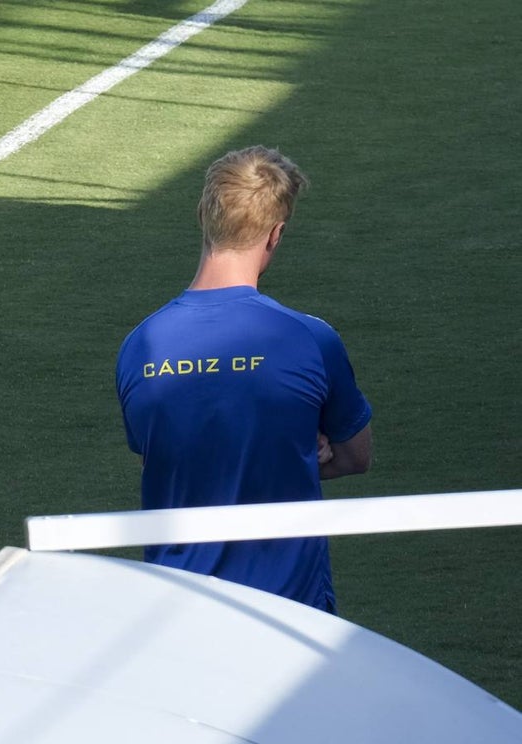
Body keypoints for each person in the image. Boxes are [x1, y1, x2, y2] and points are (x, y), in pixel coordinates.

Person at [115, 145, 373, 612]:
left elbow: (168, 455)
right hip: (290, 613)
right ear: (275, 234)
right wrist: (294, 452)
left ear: (203, 215)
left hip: (176, 612)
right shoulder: (311, 338)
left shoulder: (140, 346)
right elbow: (356, 456)